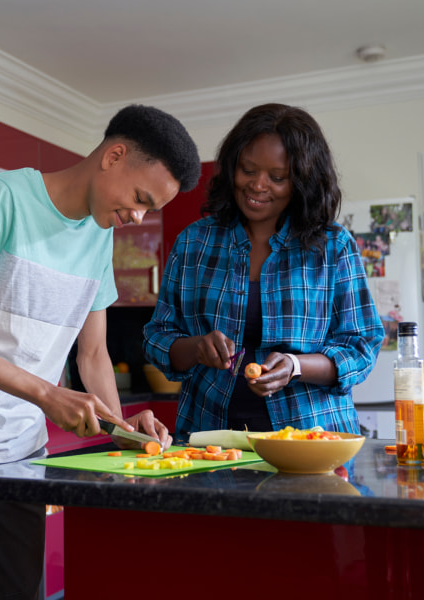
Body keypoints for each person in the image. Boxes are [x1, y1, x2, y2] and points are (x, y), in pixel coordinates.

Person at [0, 104, 201, 600]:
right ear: (114, 156)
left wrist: (122, 428)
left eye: (150, 210)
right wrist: (47, 394)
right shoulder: (4, 197)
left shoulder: (99, 238)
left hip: (21, 453)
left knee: (20, 591)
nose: (137, 218)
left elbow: (94, 354)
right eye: (140, 198)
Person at [143, 103, 384, 440]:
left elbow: (362, 346)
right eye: (248, 169)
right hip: (208, 439)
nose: (258, 185)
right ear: (232, 168)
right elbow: (157, 336)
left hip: (312, 441)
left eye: (277, 177)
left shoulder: (333, 246)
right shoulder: (194, 242)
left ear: (302, 180)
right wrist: (197, 347)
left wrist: (295, 367)